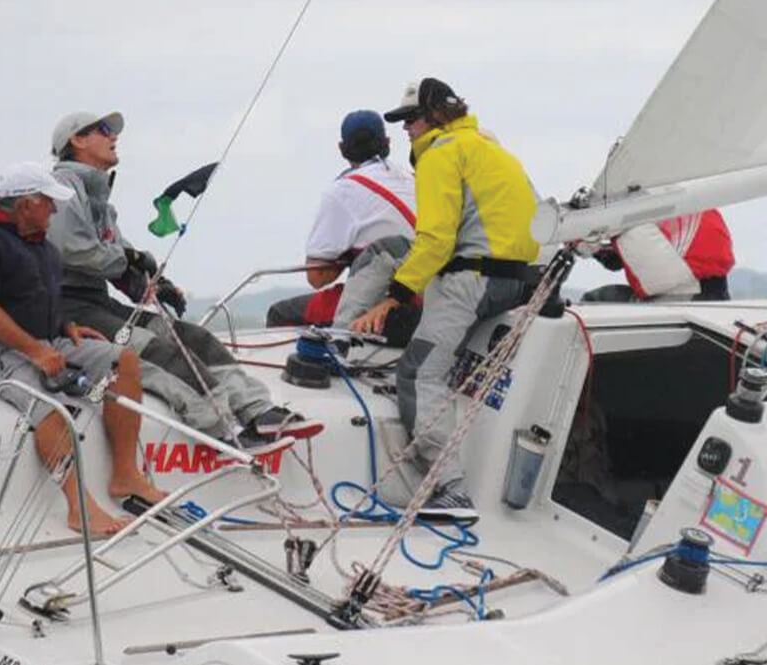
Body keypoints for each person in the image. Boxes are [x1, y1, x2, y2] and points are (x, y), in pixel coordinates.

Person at [45, 111, 314, 453]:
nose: (114, 135)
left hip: (98, 302)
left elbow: (117, 254)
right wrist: (130, 260)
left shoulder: (97, 197)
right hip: (68, 308)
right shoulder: (63, 188)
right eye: (103, 129)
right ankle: (222, 432)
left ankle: (259, 411)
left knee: (195, 337)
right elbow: (75, 250)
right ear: (77, 140)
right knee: (156, 349)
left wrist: (153, 283)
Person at [0, 162, 168, 535]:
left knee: (123, 361)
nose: (55, 211)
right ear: (26, 204)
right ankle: (80, 509)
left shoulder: (41, 246)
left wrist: (65, 328)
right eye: (49, 203)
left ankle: (125, 476)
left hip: (42, 341)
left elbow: (32, 299)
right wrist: (37, 352)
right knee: (53, 409)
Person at [350, 78, 540, 518]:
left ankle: (449, 487)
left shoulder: (441, 154)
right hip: (513, 282)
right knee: (433, 357)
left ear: (436, 116)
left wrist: (393, 297)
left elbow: (435, 241)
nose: (405, 130)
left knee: (417, 372)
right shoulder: (492, 148)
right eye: (400, 122)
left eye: (411, 119)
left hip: (470, 281)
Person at [266, 109, 421, 345]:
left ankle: (312, 375)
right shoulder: (414, 179)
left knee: (281, 314)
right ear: (387, 143)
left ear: (342, 149)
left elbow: (316, 277)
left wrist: (349, 254)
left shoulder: (343, 190)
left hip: (383, 298)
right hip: (427, 296)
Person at [581, 209, 736, 303]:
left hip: (681, 297)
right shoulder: (692, 199)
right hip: (718, 296)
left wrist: (591, 247)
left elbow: (613, 262)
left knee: (595, 301)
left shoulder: (631, 209)